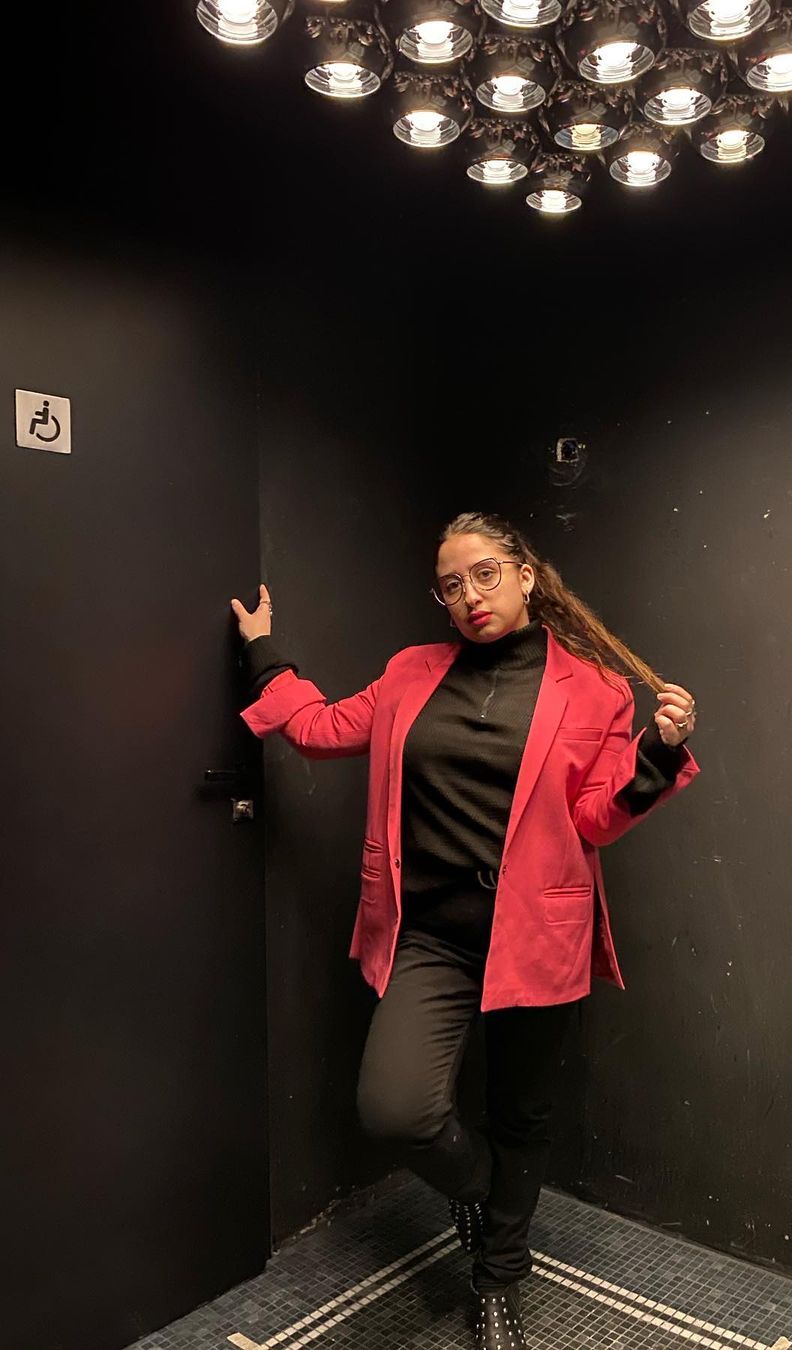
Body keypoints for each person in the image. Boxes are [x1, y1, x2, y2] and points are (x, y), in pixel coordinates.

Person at [230, 510, 700, 1349]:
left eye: (485, 573)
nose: (471, 595)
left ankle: (498, 1280)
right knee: (395, 1109)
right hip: (432, 935)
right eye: (452, 585)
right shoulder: (409, 673)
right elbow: (320, 729)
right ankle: (486, 1193)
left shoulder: (594, 688)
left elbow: (596, 819)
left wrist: (658, 752)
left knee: (522, 1116)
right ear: (440, 600)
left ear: (525, 577)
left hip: (539, 933)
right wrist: (265, 652)